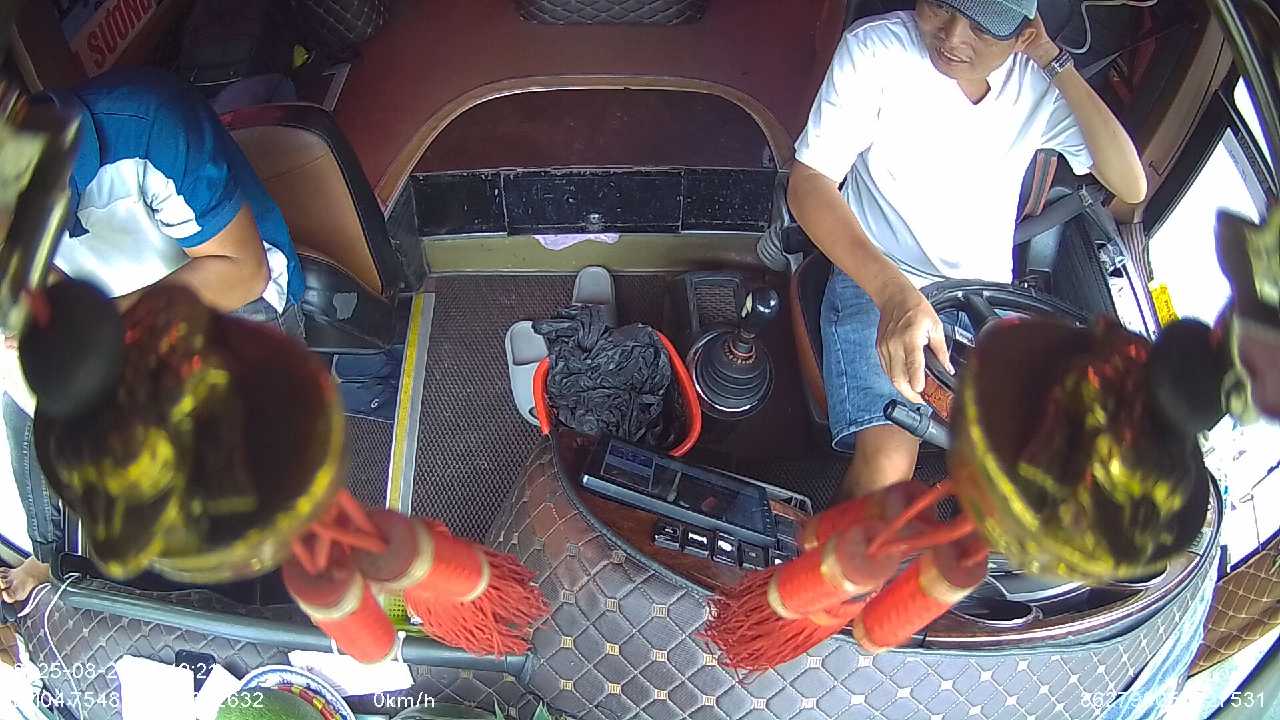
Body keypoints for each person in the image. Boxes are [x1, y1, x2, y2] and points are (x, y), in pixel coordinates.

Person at [786, 0, 1146, 499]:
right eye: (939, 6)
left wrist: (1053, 60)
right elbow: (809, 183)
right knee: (889, 463)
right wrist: (894, 295)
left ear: (1022, 35)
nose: (952, 37)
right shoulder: (877, 49)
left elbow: (1130, 182)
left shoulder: (1035, 84)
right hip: (879, 278)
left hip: (982, 301)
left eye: (982, 28)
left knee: (1055, 469)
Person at [0, 66, 305, 605]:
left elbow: (244, 272)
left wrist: (93, 331)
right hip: (119, 294)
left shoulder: (147, 126)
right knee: (25, 385)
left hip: (238, 290)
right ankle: (49, 552)